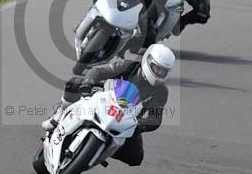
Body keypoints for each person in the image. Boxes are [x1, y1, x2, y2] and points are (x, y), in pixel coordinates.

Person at [41, 43, 175, 166]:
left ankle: (103, 150)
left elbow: (156, 118)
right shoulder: (129, 66)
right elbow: (99, 71)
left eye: (163, 71)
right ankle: (58, 116)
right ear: (148, 61)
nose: (159, 73)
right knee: (75, 83)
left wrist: (140, 125)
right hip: (105, 99)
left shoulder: (161, 92)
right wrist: (89, 82)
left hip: (127, 120)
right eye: (156, 68)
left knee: (136, 157)